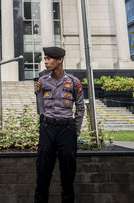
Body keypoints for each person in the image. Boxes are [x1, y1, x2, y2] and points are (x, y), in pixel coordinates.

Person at [34, 46, 85, 203]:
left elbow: (80, 107)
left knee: (68, 175)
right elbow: (40, 105)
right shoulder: (42, 82)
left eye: (49, 59)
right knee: (43, 173)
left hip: (67, 129)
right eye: (45, 59)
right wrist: (45, 124)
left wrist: (74, 131)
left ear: (60, 60)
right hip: (48, 128)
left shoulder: (74, 82)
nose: (46, 62)